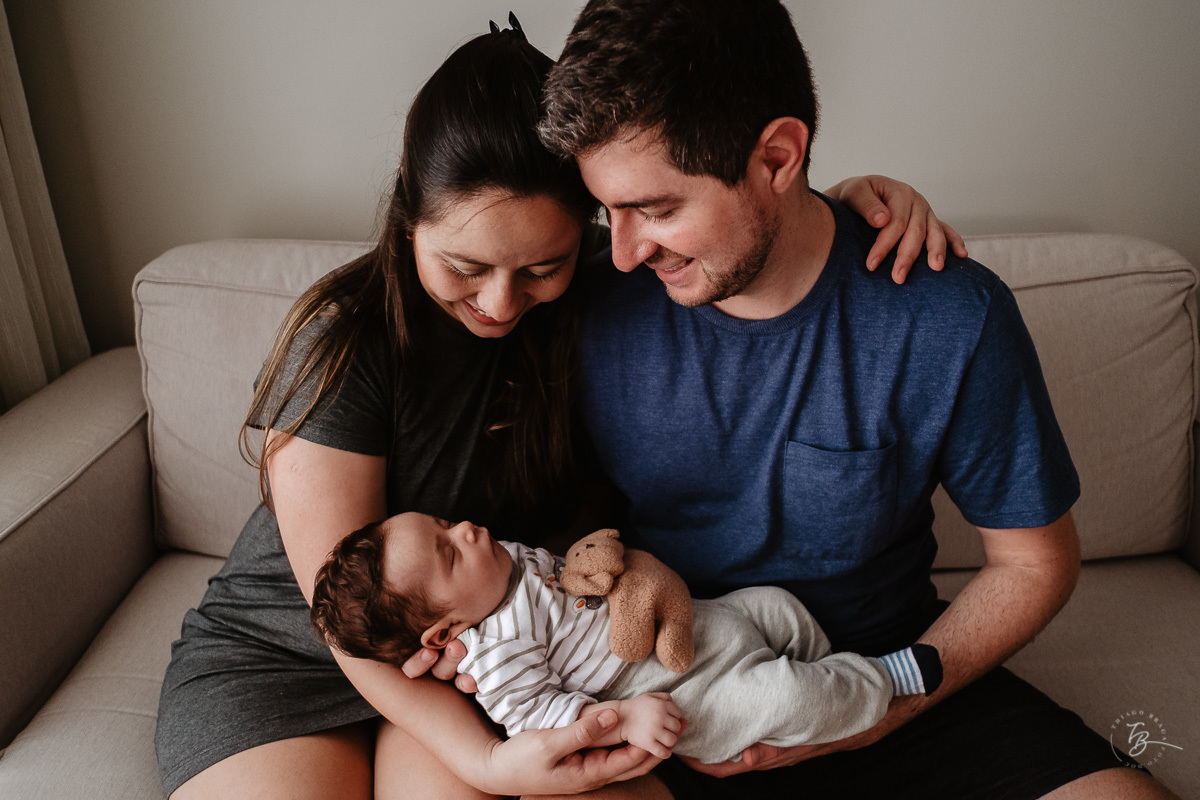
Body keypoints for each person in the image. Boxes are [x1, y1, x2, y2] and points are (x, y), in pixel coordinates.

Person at [153, 19, 968, 800]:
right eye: (465, 266)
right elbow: (342, 627)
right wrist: (492, 762)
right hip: (294, 655)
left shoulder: (606, 287)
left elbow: (740, 225)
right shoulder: (346, 346)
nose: (502, 303)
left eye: (542, 266)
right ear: (408, 216)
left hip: (503, 659)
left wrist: (855, 201)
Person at [445, 1, 1179, 798]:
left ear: (777, 157)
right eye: (607, 212)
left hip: (883, 683)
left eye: (656, 211)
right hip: (654, 700)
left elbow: (1035, 563)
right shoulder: (579, 297)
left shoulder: (946, 315)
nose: (622, 252)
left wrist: (875, 715)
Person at [309, 512, 945, 765]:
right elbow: (542, 719)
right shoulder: (496, 656)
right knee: (780, 698)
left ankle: (828, 673)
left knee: (776, 607)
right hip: (661, 691)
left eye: (447, 523)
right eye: (450, 551)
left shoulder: (498, 564)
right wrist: (621, 721)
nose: (470, 529)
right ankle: (882, 681)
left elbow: (575, 581)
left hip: (696, 621)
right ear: (445, 630)